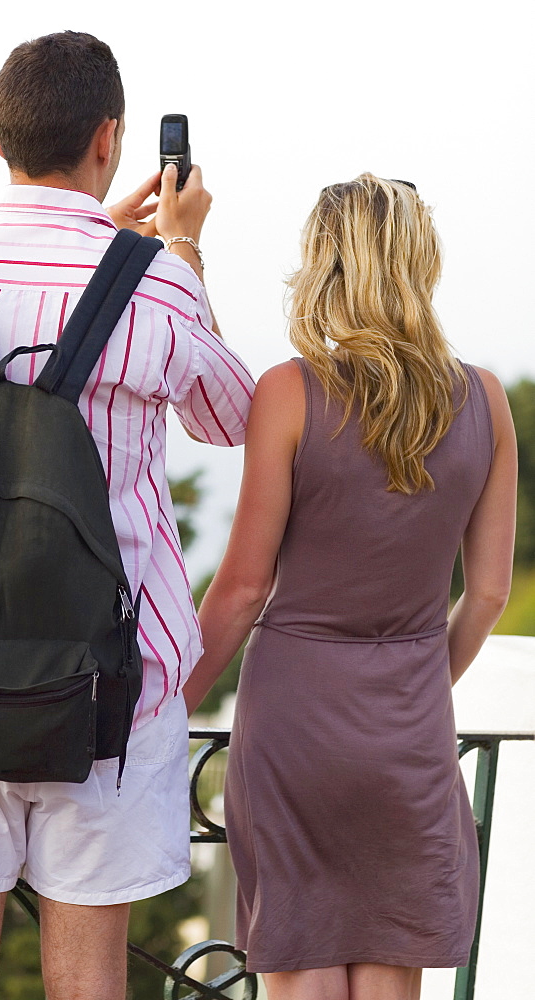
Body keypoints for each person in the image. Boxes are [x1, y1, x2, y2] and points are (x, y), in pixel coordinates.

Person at [0, 31, 254, 1000]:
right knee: (88, 982)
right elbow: (228, 416)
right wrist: (173, 249)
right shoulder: (157, 281)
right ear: (110, 139)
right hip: (107, 687)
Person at [183, 174, 517, 1000]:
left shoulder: (291, 392)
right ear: (419, 262)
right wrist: (417, 684)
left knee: (303, 977)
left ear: (324, 263)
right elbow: (488, 595)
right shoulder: (486, 400)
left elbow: (242, 590)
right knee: (390, 982)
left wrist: (169, 708)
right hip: (410, 730)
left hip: (295, 722)